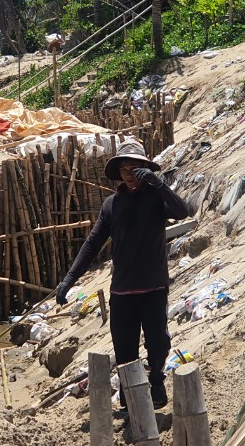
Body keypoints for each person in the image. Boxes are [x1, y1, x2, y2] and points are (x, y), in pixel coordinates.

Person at [55, 141, 191, 408]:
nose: (130, 173)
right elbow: (92, 244)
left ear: (145, 170)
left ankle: (156, 383)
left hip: (153, 286)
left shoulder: (156, 199)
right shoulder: (111, 205)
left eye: (136, 168)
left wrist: (159, 184)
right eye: (124, 168)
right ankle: (130, 395)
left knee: (158, 342)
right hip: (122, 290)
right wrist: (69, 279)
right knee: (125, 348)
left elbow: (182, 211)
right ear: (118, 172)